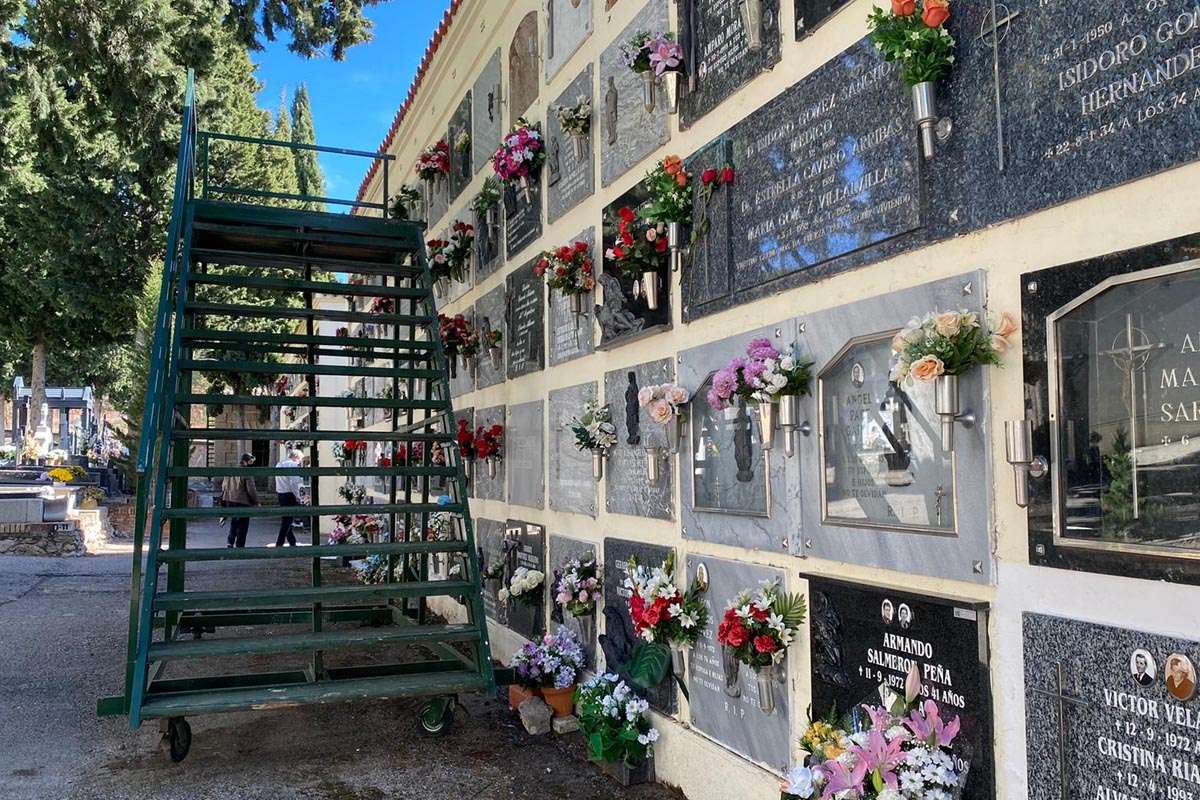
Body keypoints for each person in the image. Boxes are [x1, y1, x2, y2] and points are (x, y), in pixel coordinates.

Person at [222, 453, 259, 548]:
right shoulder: (247, 472)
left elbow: (224, 486)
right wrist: (256, 501)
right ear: (248, 461)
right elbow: (251, 489)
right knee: (243, 525)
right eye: (251, 461)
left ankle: (230, 542)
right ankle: (240, 545)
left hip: (230, 500)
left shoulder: (231, 471)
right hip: (242, 501)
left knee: (234, 522)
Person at [274, 448, 305, 547]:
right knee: (287, 520)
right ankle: (280, 542)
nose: (300, 462)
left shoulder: (279, 464)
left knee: (286, 518)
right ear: (296, 457)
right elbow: (294, 483)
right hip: (289, 494)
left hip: (281, 493)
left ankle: (292, 541)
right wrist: (299, 496)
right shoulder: (292, 464)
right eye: (300, 459)